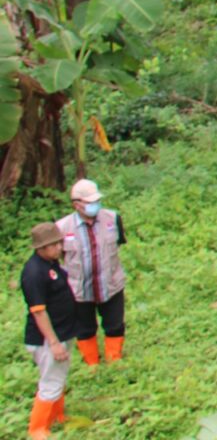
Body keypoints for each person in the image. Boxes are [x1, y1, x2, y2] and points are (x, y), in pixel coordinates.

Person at [56, 179, 127, 368]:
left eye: (96, 201)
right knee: (84, 328)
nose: (94, 205)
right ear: (76, 204)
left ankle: (114, 360)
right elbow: (59, 257)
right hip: (79, 289)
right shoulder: (62, 228)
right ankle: (92, 364)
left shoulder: (112, 219)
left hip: (111, 283)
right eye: (89, 202)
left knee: (115, 324)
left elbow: (118, 243)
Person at [22, 222, 76, 439]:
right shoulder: (33, 273)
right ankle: (37, 429)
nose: (58, 248)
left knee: (59, 376)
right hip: (47, 338)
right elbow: (38, 311)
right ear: (40, 248)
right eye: (53, 245)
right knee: (50, 380)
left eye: (59, 243)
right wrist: (53, 342)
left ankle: (57, 416)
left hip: (63, 330)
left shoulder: (51, 263)